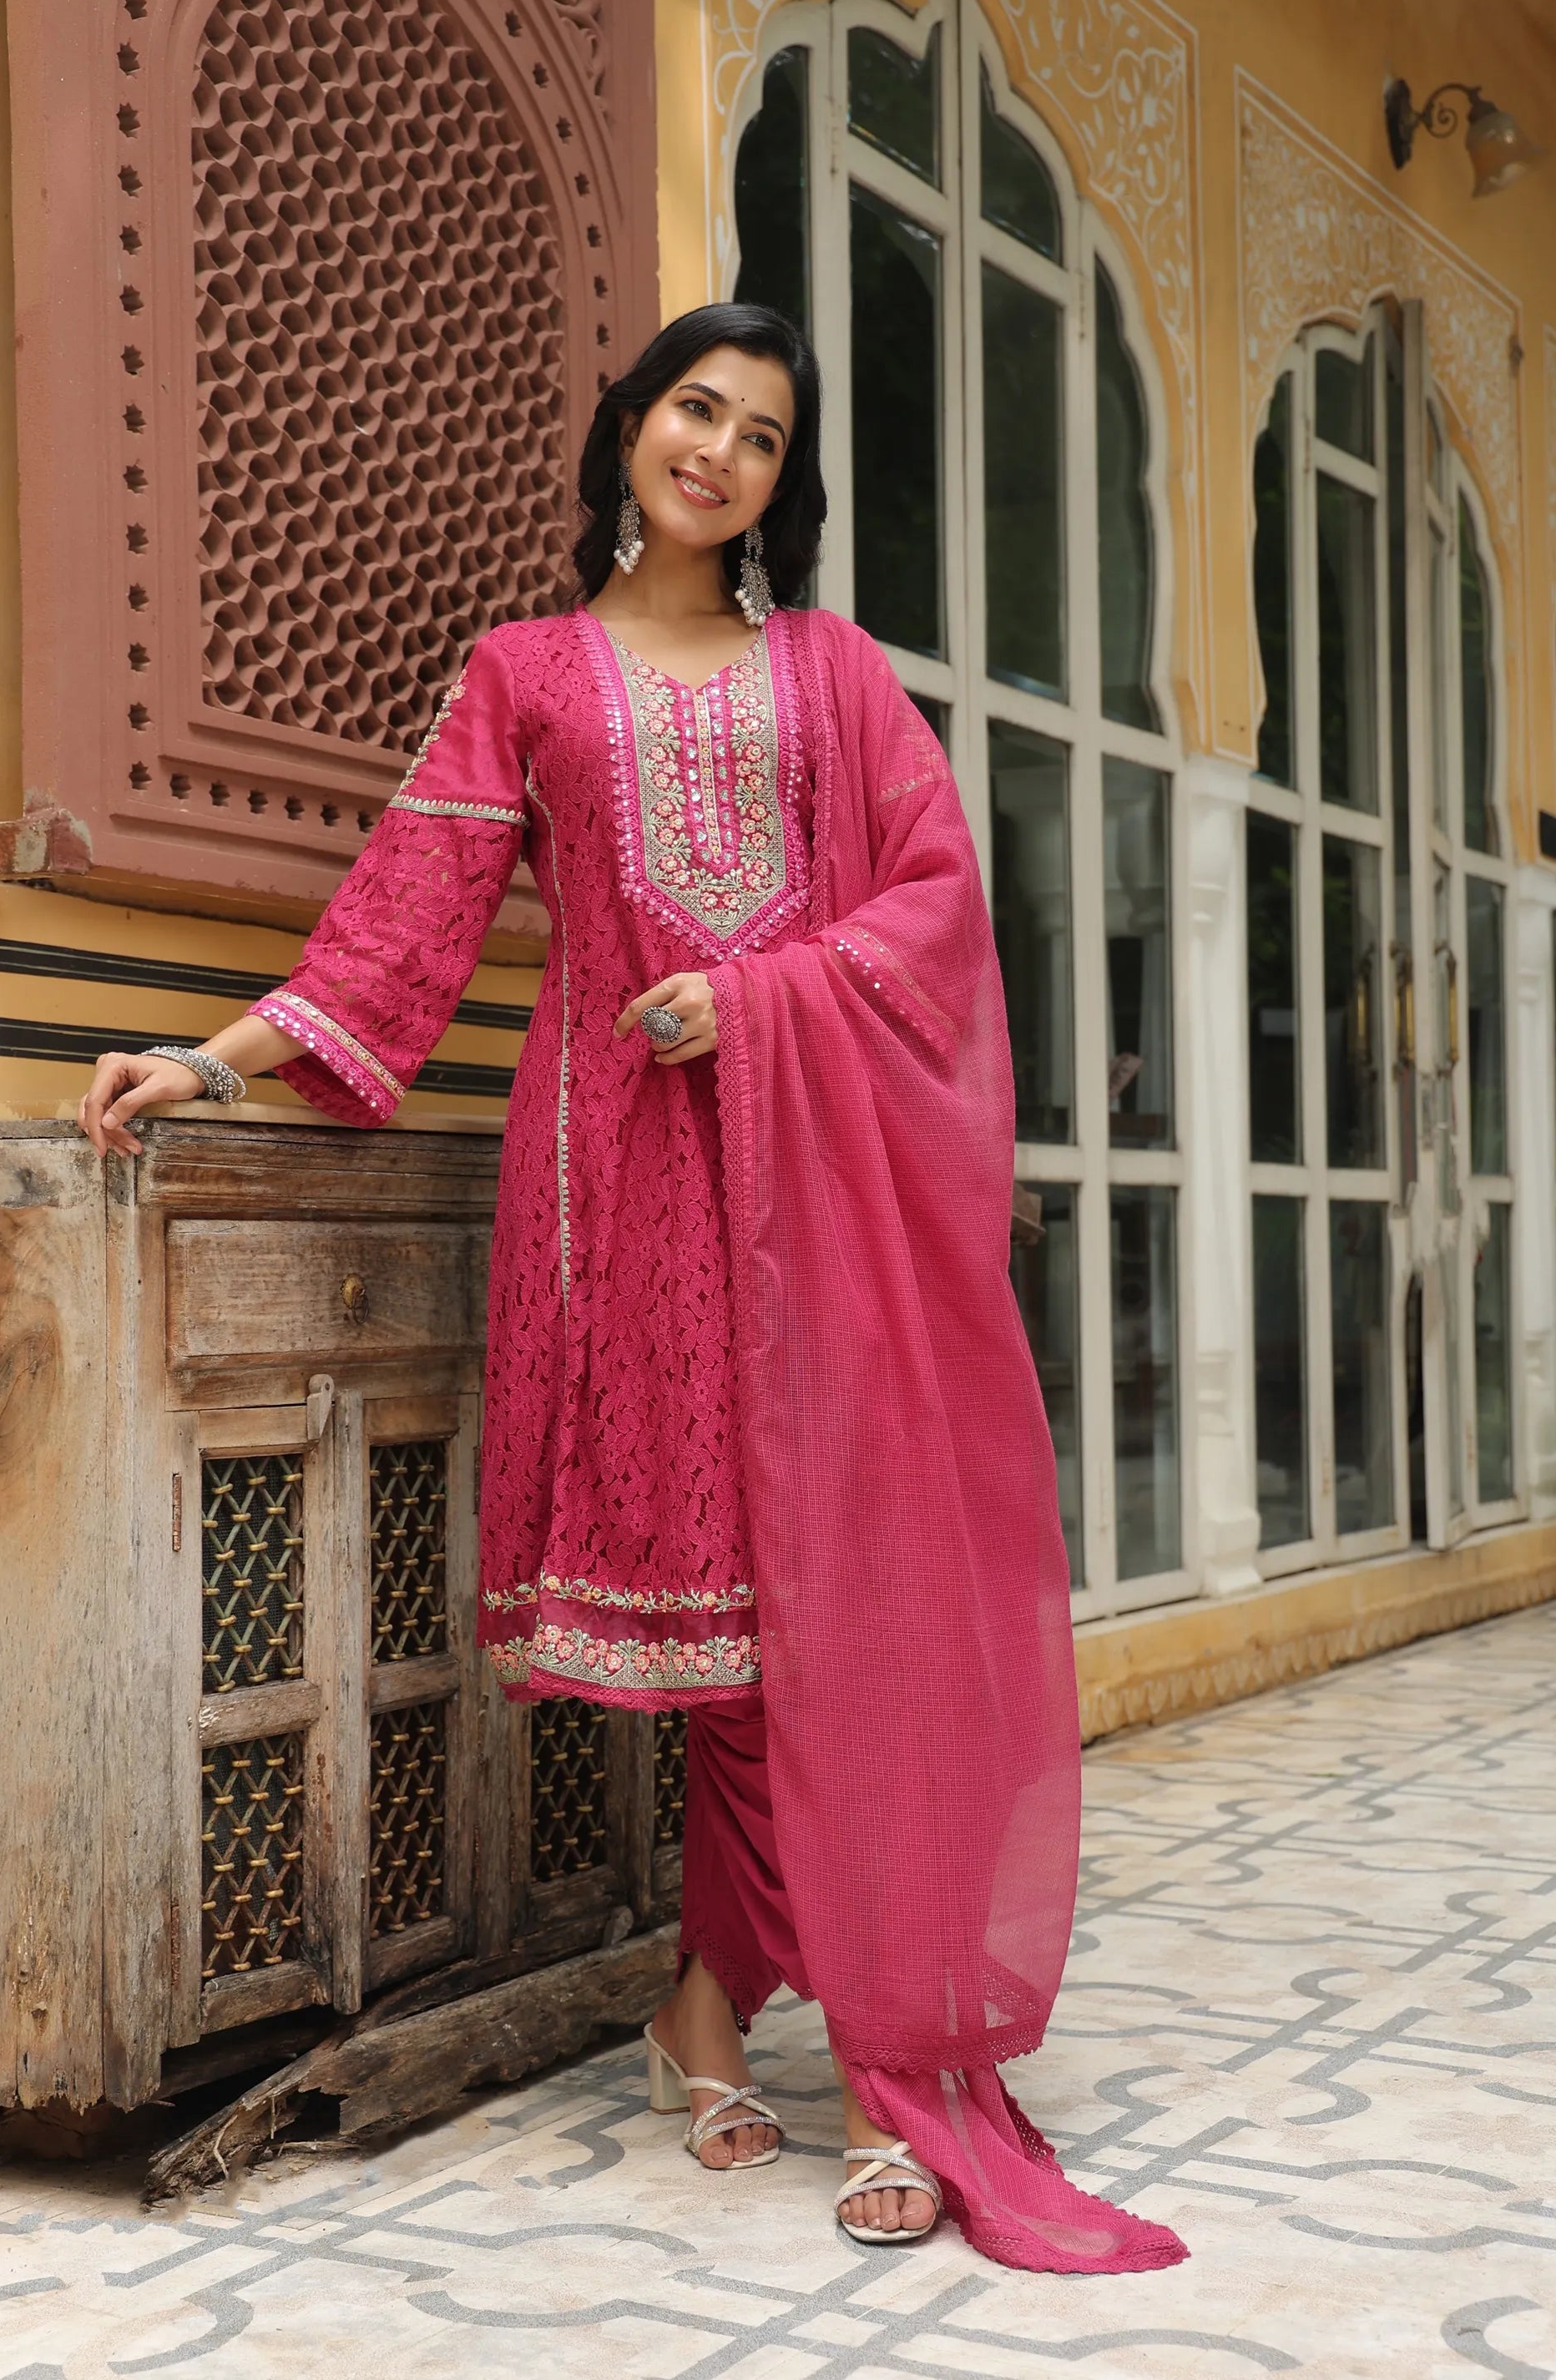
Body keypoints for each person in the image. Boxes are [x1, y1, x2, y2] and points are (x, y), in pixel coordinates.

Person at [81, 304, 1184, 2271]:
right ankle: (724, 2013)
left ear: (785, 483)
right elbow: (400, 927)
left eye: (764, 435)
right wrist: (212, 1061)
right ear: (627, 427)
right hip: (623, 1206)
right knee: (742, 1652)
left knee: (839, 1614)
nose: (722, 453)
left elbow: (930, 911)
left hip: (815, 1196)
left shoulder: (837, 677)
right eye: (696, 409)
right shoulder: (524, 677)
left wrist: (753, 999)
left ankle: (840, 2052)